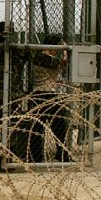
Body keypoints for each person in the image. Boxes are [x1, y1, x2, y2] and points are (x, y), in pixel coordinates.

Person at [26, 35, 71, 163]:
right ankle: (61, 154)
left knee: (39, 127)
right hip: (47, 95)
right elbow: (63, 63)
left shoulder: (40, 57)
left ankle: (35, 156)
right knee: (57, 127)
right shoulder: (46, 59)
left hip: (38, 95)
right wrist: (65, 49)